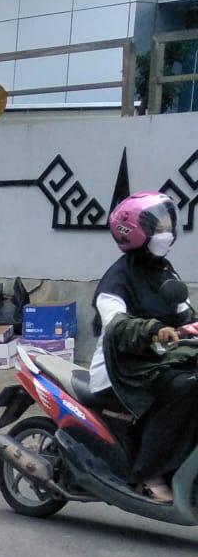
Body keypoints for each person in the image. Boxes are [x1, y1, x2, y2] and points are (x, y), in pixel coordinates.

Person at [91, 192, 197, 504]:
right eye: (160, 226)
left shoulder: (164, 270)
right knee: (184, 386)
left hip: (158, 361)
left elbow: (185, 313)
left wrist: (187, 325)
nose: (168, 232)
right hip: (120, 369)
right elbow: (117, 326)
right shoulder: (116, 281)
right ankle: (148, 474)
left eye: (168, 224)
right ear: (136, 231)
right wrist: (154, 329)